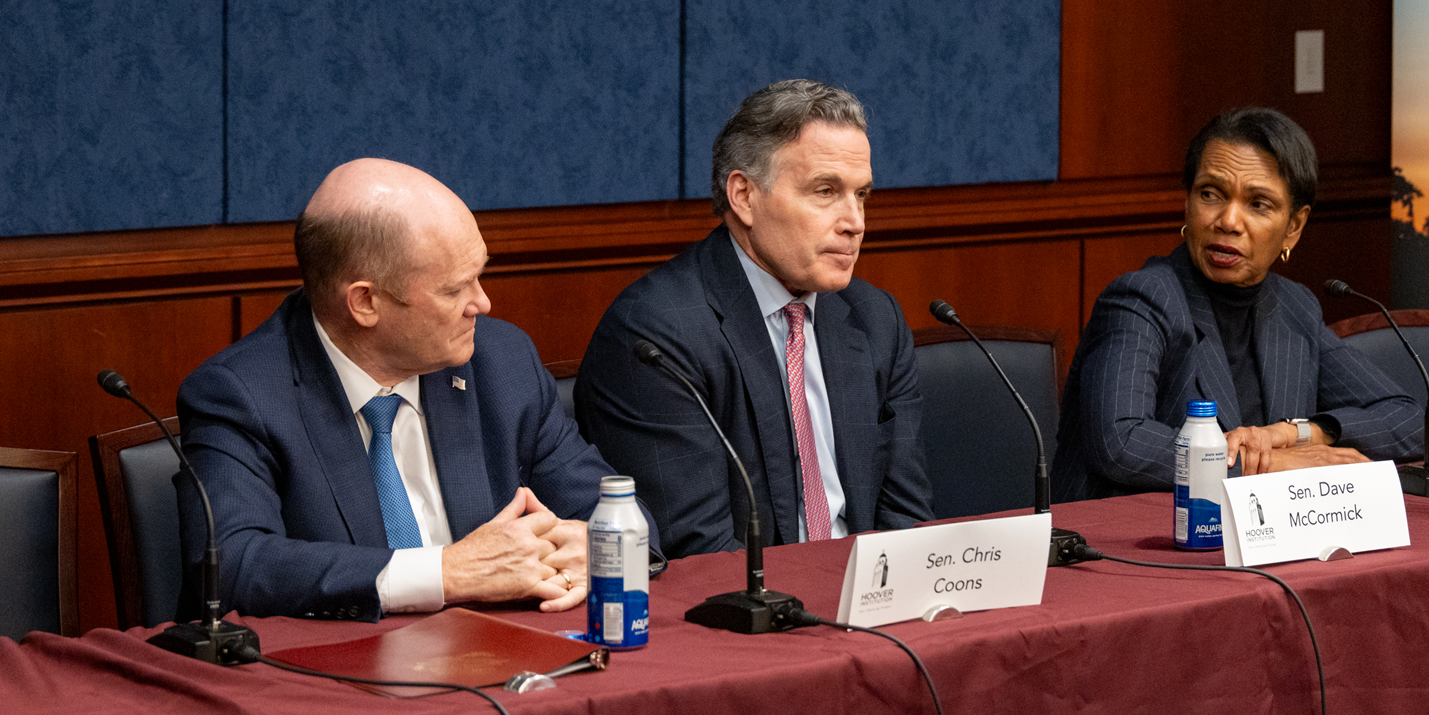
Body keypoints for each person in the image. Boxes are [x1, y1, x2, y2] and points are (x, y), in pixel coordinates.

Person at [176, 158, 651, 621]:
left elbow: (621, 514)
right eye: (453, 290)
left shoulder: (501, 362)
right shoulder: (241, 395)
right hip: (340, 677)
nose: (482, 303)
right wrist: (445, 573)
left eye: (479, 276)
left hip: (499, 656)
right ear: (365, 302)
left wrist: (597, 545)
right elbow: (233, 566)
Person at [577, 79, 931, 558]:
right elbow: (699, 555)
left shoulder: (874, 319)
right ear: (743, 195)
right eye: (825, 191)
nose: (855, 222)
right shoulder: (657, 333)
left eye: (862, 195)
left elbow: (906, 520)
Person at [1053, 107, 1422, 501]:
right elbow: (1121, 443)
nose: (1228, 220)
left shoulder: (1294, 306)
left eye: (1258, 204)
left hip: (1261, 539)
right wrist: (1275, 465)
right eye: (1211, 194)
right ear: (1187, 201)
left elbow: (1409, 420)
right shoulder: (1142, 300)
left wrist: (1294, 433)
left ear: (1293, 228)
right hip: (1132, 542)